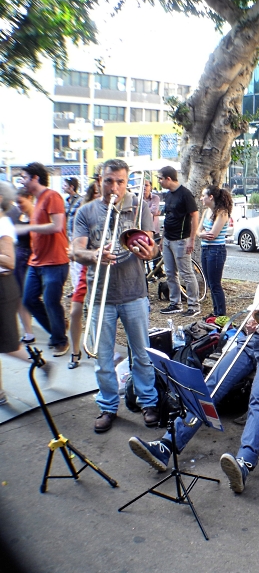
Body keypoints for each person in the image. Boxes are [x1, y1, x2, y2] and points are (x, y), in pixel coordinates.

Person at [129, 235, 259, 494]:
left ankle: (244, 463)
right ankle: (167, 444)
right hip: (252, 340)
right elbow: (257, 315)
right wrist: (253, 323)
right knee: (210, 386)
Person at [72, 159, 159, 433]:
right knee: (103, 358)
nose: (114, 187)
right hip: (101, 296)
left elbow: (151, 244)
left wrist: (150, 252)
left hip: (134, 292)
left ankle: (148, 402)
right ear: (100, 180)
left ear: (127, 182)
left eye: (120, 181)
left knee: (142, 354)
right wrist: (94, 255)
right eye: (109, 180)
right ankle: (108, 407)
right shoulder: (86, 212)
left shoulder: (138, 207)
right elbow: (76, 251)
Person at [0, 182, 52, 406]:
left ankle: (42, 364)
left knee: (9, 345)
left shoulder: (3, 225)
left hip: (3, 288)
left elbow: (8, 261)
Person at [16, 163, 70, 357]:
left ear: (35, 178)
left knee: (50, 302)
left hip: (55, 262)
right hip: (36, 261)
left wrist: (28, 228)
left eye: (24, 176)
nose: (21, 180)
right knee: (29, 299)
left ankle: (60, 340)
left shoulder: (52, 196)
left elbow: (56, 226)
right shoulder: (37, 200)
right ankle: (58, 329)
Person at [66, 184, 100, 370]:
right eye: (95, 193)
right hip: (85, 269)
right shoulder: (83, 213)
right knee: (75, 311)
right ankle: (75, 351)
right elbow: (75, 247)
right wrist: (75, 252)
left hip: (103, 269)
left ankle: (99, 351)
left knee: (98, 314)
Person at [158, 165, 200, 317]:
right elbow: (168, 217)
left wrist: (192, 239)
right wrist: (163, 238)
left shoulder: (185, 194)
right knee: (170, 272)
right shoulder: (168, 195)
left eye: (160, 178)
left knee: (186, 273)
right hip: (168, 239)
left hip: (181, 239)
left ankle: (194, 305)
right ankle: (175, 303)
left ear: (169, 178)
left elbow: (195, 216)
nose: (159, 181)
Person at [198, 185, 233, 317]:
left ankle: (221, 314)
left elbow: (213, 234)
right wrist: (201, 234)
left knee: (215, 284)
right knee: (210, 283)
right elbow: (198, 230)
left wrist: (202, 233)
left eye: (203, 196)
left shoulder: (222, 213)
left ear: (211, 197)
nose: (202, 198)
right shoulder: (207, 211)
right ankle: (216, 311)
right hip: (205, 249)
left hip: (216, 251)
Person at [10, 189, 34, 344]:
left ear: (29, 198)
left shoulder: (37, 215)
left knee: (31, 297)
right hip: (19, 258)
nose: (18, 205)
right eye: (16, 202)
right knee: (21, 297)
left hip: (33, 258)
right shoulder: (18, 215)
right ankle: (28, 331)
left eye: (20, 202)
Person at [63, 176, 83, 293]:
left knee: (78, 262)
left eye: (65, 185)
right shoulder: (66, 201)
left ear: (72, 187)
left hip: (77, 235)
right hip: (68, 234)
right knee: (72, 262)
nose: (63, 187)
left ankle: (80, 288)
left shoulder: (80, 200)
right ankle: (76, 288)